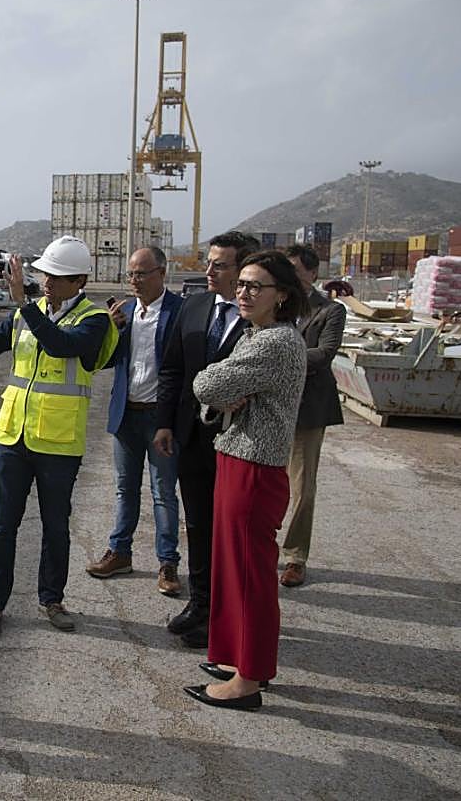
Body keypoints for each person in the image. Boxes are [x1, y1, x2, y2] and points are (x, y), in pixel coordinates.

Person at [0, 236, 119, 637]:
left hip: (58, 444)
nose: (48, 282)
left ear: (80, 280)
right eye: (46, 274)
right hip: (13, 437)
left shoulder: (94, 319)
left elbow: (63, 345)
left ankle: (52, 599)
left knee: (55, 527)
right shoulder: (22, 317)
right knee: (3, 526)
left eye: (59, 276)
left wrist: (24, 304)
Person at [183, 250, 307, 711]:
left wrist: (217, 387)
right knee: (231, 568)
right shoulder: (258, 335)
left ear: (283, 297)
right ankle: (237, 658)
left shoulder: (273, 342)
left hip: (254, 468)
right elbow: (218, 396)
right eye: (242, 284)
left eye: (257, 287)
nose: (244, 292)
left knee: (251, 576)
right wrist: (222, 392)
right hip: (238, 457)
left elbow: (206, 386)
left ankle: (249, 678)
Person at [154, 231, 261, 649]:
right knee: (198, 525)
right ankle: (201, 604)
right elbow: (172, 369)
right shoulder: (194, 306)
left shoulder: (261, 319)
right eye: (209, 262)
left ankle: (230, 613)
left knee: (234, 532)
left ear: (244, 271)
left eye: (220, 264)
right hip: (192, 438)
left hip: (240, 441)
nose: (209, 270)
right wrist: (164, 423)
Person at [87, 246, 185, 595]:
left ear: (162, 272)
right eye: (130, 274)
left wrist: (171, 421)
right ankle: (120, 552)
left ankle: (167, 562)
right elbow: (106, 361)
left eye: (141, 274)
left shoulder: (180, 312)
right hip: (126, 415)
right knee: (125, 489)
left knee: (163, 492)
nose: (134, 281)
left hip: (161, 419)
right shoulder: (125, 312)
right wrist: (109, 330)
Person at [280, 244, 346, 587]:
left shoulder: (330, 310)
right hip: (271, 405)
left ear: (312, 273)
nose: (289, 276)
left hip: (308, 409)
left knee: (302, 488)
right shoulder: (274, 303)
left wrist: (280, 357)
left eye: (295, 269)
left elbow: (325, 352)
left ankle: (295, 557)